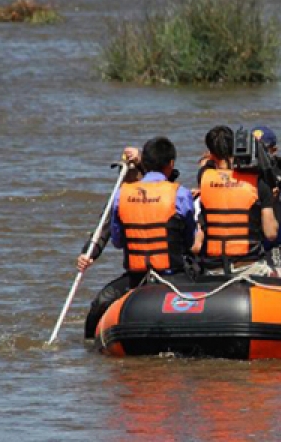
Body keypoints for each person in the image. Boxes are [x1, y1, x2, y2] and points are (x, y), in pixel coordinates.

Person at [79, 137, 196, 338]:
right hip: (166, 275)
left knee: (99, 303)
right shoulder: (180, 194)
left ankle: (91, 348)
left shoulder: (122, 196)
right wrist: (87, 253)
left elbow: (118, 241)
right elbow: (190, 239)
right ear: (171, 164)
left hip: (148, 276)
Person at [192, 125, 280, 276]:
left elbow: (207, 167)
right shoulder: (256, 182)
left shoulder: (204, 178)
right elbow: (271, 233)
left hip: (214, 270)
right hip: (249, 267)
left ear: (210, 153)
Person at [250, 126, 281, 267]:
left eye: (262, 151)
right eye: (253, 150)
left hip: (273, 245)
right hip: (249, 243)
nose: (257, 155)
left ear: (274, 151)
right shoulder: (243, 174)